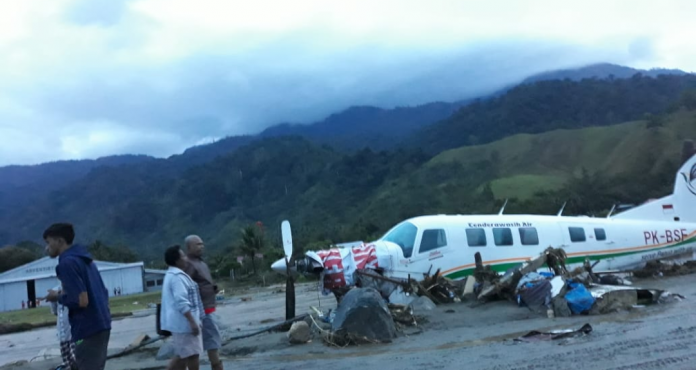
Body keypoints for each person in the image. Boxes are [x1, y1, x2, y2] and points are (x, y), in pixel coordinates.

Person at [43, 223, 112, 370]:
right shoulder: (85, 260)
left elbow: (82, 301)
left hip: (86, 330)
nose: (46, 248)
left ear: (60, 241)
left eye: (48, 242)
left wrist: (57, 297)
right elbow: (99, 292)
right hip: (102, 324)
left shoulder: (66, 263)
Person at [161, 245, 204, 370]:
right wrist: (192, 322)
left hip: (182, 324)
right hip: (184, 324)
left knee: (183, 355)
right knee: (192, 355)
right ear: (177, 261)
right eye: (183, 256)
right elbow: (181, 302)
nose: (186, 258)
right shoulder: (176, 278)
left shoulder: (175, 275)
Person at [184, 235, 224, 370]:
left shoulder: (201, 263)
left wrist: (212, 288)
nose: (201, 246)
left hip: (209, 308)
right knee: (211, 343)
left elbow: (202, 283)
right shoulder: (189, 264)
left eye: (202, 244)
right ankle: (217, 366)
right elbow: (187, 288)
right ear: (189, 247)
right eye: (198, 244)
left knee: (212, 342)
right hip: (202, 311)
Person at [49, 284, 77, 370]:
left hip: (73, 333)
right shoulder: (55, 292)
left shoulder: (74, 288)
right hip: (62, 333)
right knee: (67, 362)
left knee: (76, 358)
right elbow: (54, 311)